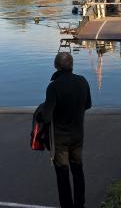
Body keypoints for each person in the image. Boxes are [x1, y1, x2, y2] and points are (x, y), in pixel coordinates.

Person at [38, 52, 92, 208]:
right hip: (77, 135)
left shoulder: (53, 86)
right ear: (72, 65)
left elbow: (47, 117)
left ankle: (67, 205)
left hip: (60, 139)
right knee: (77, 170)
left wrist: (40, 114)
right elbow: (88, 105)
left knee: (62, 174)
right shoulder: (82, 81)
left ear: (56, 66)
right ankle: (80, 204)